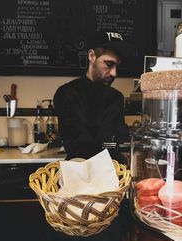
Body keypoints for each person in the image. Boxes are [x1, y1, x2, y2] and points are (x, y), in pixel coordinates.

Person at [54, 31, 133, 161]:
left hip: (113, 173)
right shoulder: (67, 93)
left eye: (116, 66)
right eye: (109, 64)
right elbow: (77, 145)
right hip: (80, 172)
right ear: (92, 56)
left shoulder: (116, 97)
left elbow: (118, 138)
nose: (114, 73)